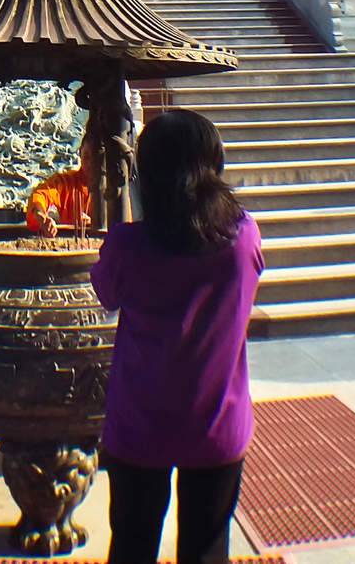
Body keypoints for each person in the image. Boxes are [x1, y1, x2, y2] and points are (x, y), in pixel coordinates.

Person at [92, 110, 263, 564]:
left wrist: (128, 210)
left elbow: (106, 292)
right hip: (216, 423)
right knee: (206, 549)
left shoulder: (129, 246)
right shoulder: (243, 238)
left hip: (139, 424)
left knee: (131, 544)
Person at [26, 135, 96, 237]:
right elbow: (41, 195)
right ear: (80, 153)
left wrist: (94, 223)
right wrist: (41, 216)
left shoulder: (113, 189)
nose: (90, 164)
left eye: (95, 158)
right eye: (86, 157)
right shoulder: (65, 182)